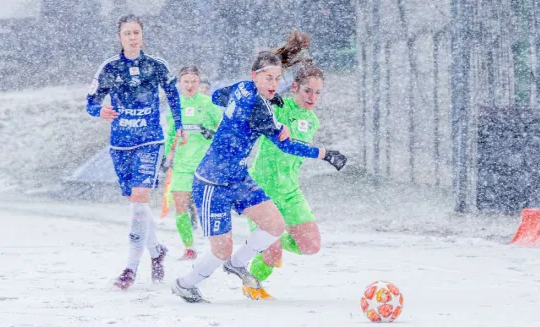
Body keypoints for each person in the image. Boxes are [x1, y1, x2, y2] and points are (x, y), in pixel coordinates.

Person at [171, 30, 347, 303]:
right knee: (220, 249)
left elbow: (218, 96)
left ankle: (237, 264)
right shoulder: (259, 109)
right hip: (212, 182)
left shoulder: (242, 87)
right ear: (255, 76)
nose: (274, 84)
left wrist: (254, 105)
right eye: (268, 79)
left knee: (275, 224)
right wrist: (325, 153)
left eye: (277, 79)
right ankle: (185, 284)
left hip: (238, 177)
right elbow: (287, 145)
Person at [86, 14, 188, 290]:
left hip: (149, 141)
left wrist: (179, 125)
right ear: (120, 37)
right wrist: (101, 111)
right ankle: (157, 250)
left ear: (142, 36)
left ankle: (130, 269)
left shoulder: (156, 65)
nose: (133, 37)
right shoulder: (109, 67)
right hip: (120, 143)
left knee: (140, 200)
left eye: (137, 32)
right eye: (128, 33)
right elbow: (91, 101)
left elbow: (173, 95)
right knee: (136, 204)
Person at [242, 62, 327, 300]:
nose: (312, 97)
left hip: (289, 190)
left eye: (317, 92)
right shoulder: (277, 107)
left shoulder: (312, 121)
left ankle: (274, 241)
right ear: (294, 88)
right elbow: (257, 97)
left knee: (311, 246)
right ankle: (252, 283)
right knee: (272, 254)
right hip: (261, 189)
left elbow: (297, 150)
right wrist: (271, 98)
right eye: (307, 90)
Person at [163, 65, 222, 260]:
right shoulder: (174, 104)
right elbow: (170, 134)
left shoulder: (208, 103)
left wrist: (211, 133)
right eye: (186, 82)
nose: (189, 85)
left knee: (203, 207)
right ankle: (189, 248)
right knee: (180, 207)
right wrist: (166, 156)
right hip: (181, 164)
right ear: (179, 83)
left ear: (199, 83)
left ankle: (216, 247)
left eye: (193, 82)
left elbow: (223, 130)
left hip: (203, 164)